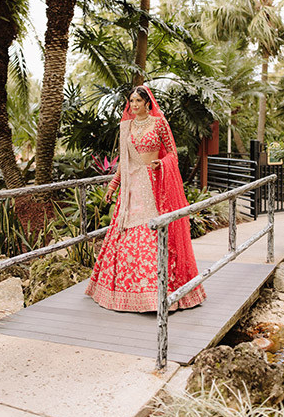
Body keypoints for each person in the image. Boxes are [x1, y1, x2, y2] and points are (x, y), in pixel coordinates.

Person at [84, 85, 206, 312]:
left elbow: (173, 153)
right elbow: (125, 161)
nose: (134, 105)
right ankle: (122, 293)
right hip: (131, 188)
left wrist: (163, 163)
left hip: (153, 186)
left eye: (138, 101)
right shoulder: (126, 127)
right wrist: (113, 185)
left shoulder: (159, 123)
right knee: (124, 238)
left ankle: (156, 295)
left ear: (148, 103)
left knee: (152, 235)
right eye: (131, 101)